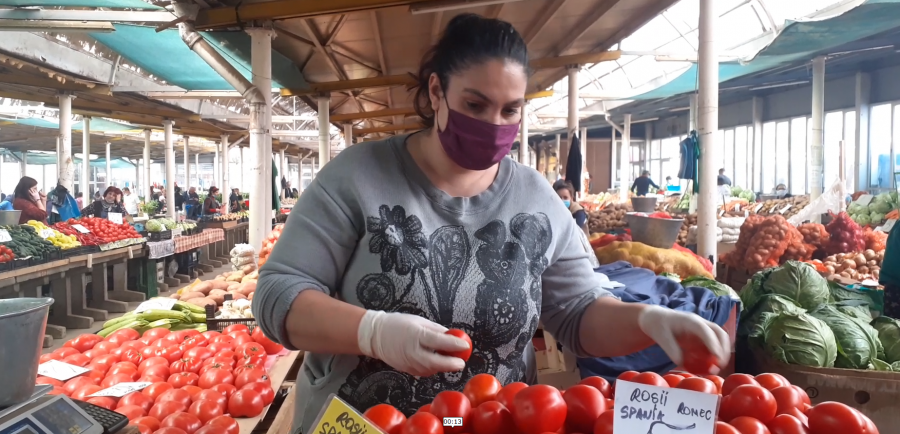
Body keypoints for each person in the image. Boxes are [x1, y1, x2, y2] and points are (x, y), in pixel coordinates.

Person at [252, 14, 729, 432]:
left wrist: (648, 320)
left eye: (510, 110)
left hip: (477, 421)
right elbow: (278, 295)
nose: (493, 123)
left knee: (460, 420)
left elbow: (578, 313)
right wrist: (371, 331)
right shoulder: (357, 177)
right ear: (437, 90)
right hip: (366, 423)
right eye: (475, 105)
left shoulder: (536, 198)